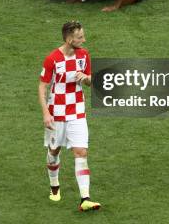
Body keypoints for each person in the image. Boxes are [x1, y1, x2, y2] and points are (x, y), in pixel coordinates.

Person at [38, 21, 101, 212]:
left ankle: (85, 199)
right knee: (54, 151)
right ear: (68, 39)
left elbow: (91, 80)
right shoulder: (52, 59)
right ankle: (54, 186)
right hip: (56, 112)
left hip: (77, 111)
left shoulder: (84, 54)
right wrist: (46, 113)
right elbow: (42, 86)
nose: (84, 39)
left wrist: (87, 78)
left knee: (81, 152)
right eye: (80, 37)